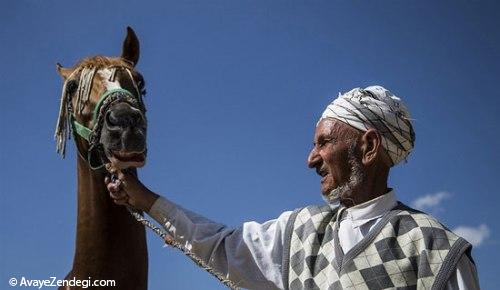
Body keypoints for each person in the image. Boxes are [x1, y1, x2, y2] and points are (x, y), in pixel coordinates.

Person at [106, 85, 480, 290]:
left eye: (323, 143)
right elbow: (219, 246)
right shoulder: (300, 232)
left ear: (368, 147)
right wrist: (146, 200)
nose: (311, 159)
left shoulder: (435, 248)